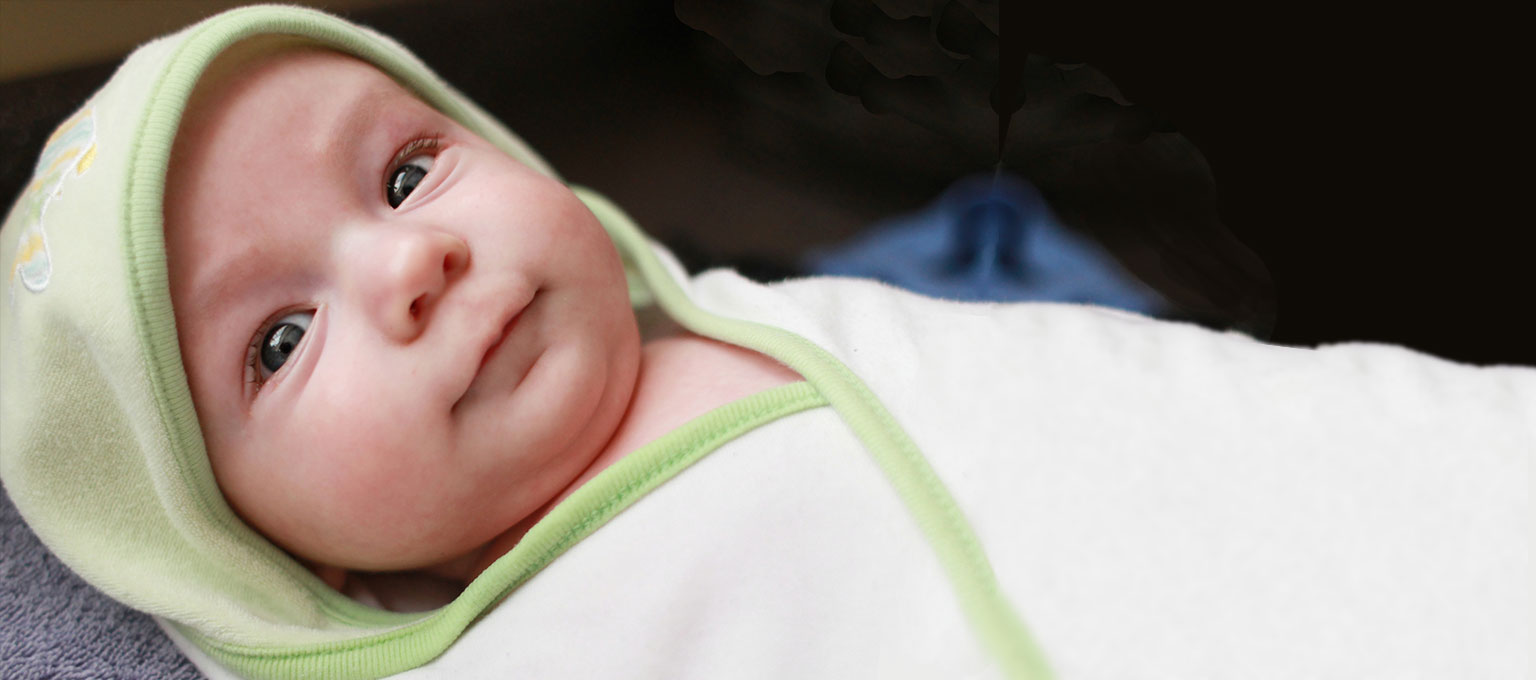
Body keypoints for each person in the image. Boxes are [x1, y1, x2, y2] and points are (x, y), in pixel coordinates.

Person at [1, 6, 1528, 680]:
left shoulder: (765, 314)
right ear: (248, 549)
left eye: (406, 172)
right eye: (275, 341)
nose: (413, 261)